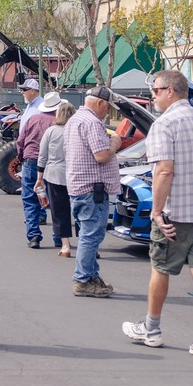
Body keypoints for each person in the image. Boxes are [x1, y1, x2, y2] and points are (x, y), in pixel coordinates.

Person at [122, 70, 193, 360]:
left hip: (174, 212)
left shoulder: (165, 124)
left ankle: (151, 329)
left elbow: (164, 170)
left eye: (155, 91)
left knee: (160, 268)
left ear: (171, 91)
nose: (152, 97)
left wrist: (156, 211)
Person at [64, 88, 120, 297]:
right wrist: (114, 142)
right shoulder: (92, 123)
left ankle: (91, 275)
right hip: (92, 189)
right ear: (99, 103)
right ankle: (83, 279)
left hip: (80, 186)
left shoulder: (75, 120)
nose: (107, 111)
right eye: (107, 106)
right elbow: (102, 156)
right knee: (91, 235)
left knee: (89, 233)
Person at [13, 77, 54, 248]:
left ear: (33, 91)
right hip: (50, 160)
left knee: (30, 197)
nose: (22, 92)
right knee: (54, 196)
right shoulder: (53, 117)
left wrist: (20, 157)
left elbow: (21, 140)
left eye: (24, 89)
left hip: (33, 158)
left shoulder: (36, 113)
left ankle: (34, 235)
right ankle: (59, 236)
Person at [41, 100, 74, 257]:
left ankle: (65, 245)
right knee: (79, 211)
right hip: (75, 175)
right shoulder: (76, 130)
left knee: (59, 211)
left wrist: (39, 177)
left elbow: (42, 156)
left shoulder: (51, 131)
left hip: (54, 175)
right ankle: (86, 244)